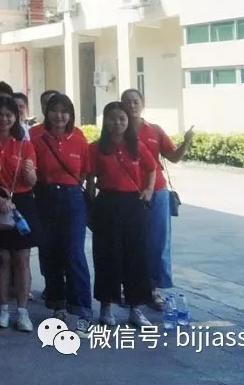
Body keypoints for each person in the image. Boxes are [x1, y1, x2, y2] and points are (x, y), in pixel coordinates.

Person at [120, 88, 193, 311]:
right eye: (127, 102)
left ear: (142, 104)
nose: (132, 105)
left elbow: (174, 157)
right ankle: (130, 288)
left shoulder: (155, 130)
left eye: (136, 101)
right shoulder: (117, 130)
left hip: (158, 192)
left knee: (157, 242)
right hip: (128, 193)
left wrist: (186, 142)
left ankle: (153, 290)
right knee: (129, 242)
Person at [88, 101, 157, 327]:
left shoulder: (137, 146)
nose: (117, 123)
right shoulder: (96, 148)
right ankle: (106, 307)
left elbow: (152, 169)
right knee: (107, 256)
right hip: (107, 204)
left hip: (133, 205)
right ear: (105, 121)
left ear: (128, 121)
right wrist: (91, 203)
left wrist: (148, 190)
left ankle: (135, 308)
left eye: (121, 119)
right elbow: (90, 177)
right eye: (112, 119)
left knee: (136, 256)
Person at [32, 93, 92, 336]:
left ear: (70, 114)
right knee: (50, 252)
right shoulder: (36, 137)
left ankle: (83, 311)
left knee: (74, 253)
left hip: (72, 199)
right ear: (47, 113)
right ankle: (58, 305)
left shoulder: (78, 137)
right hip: (44, 197)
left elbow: (86, 172)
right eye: (54, 110)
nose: (59, 116)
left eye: (64, 111)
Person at [0, 95, 39, 332]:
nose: (4, 119)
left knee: (22, 260)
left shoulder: (25, 144)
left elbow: (32, 181)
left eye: (9, 115)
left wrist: (29, 172)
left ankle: (22, 312)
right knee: (2, 258)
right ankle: (3, 308)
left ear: (16, 117)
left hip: (22, 204)